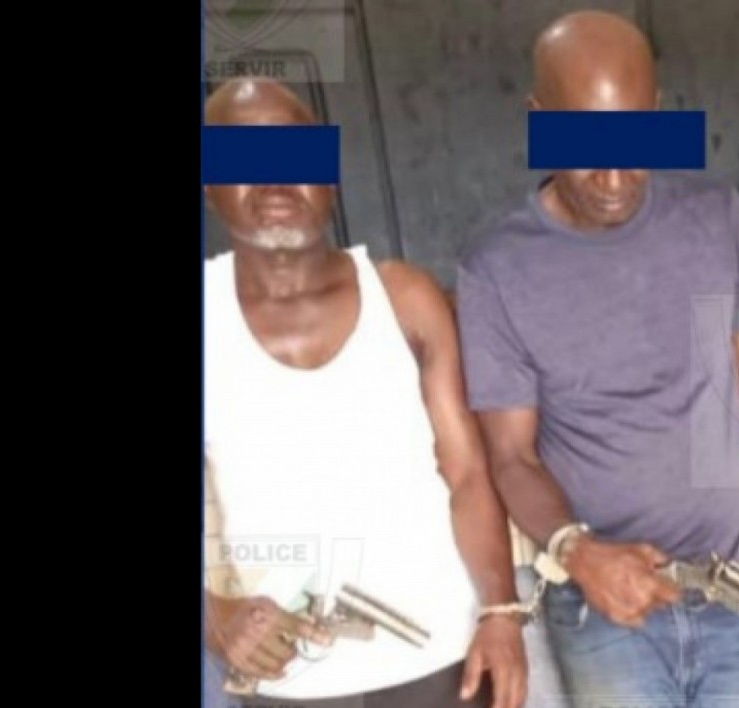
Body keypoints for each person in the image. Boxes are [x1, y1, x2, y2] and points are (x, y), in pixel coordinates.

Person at [455, 10, 739, 707]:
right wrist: (577, 551)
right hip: (604, 614)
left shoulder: (718, 220)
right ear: (539, 120)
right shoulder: (498, 267)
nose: (616, 175)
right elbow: (511, 457)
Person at [202, 77, 527, 708]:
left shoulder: (404, 299)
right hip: (290, 681)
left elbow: (467, 474)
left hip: (443, 660)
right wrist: (213, 615)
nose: (274, 181)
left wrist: (500, 611)